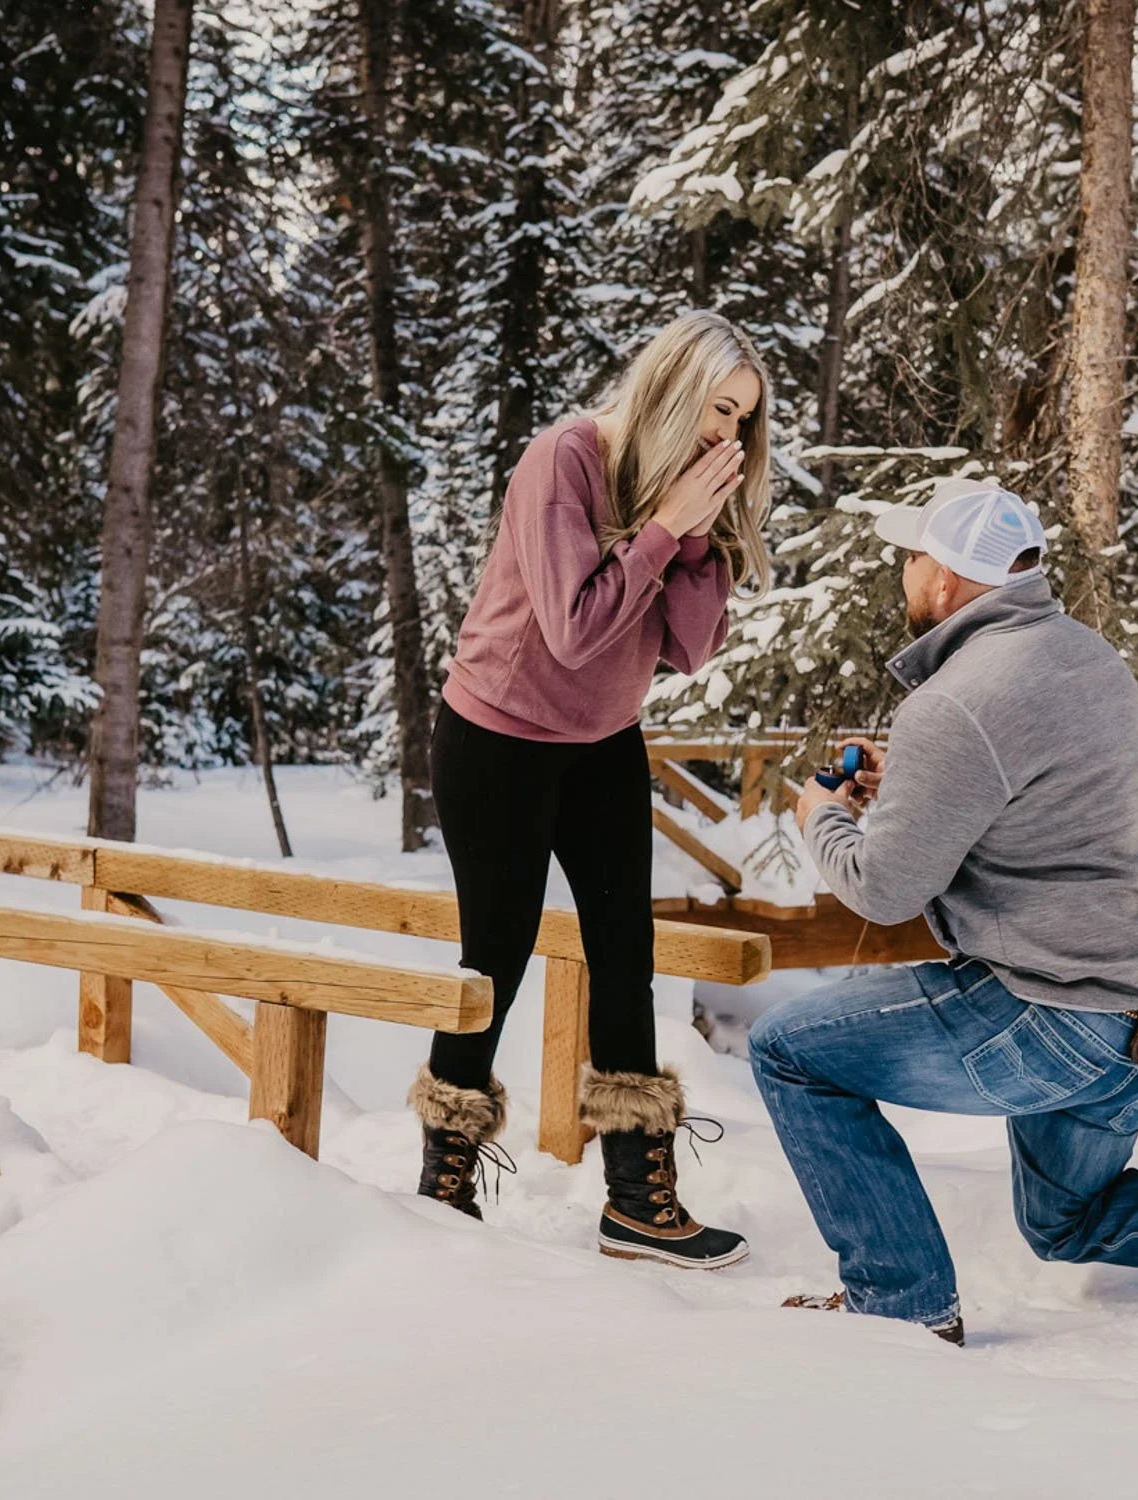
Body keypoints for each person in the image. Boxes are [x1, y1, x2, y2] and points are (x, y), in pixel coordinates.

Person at [749, 480, 1138, 1343]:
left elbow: (884, 890)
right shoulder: (1088, 657)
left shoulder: (956, 700)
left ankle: (901, 1304)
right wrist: (919, 790)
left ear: (945, 579)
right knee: (1066, 1223)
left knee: (787, 1052)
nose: (902, 571)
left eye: (911, 555)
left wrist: (819, 817)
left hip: (1047, 1019)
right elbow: (1046, 802)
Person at [409, 311, 773, 1270]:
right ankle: (443, 1185)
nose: (726, 436)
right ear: (673, 386)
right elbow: (573, 628)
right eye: (717, 409)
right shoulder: (567, 458)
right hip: (498, 740)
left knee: (626, 956)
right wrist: (663, 531)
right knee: (500, 950)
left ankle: (638, 1201)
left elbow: (691, 647)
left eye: (743, 420)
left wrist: (696, 543)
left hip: (604, 742)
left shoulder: (680, 501)